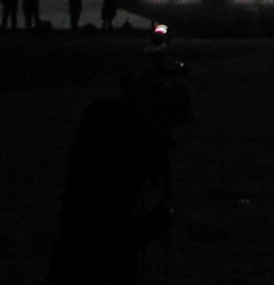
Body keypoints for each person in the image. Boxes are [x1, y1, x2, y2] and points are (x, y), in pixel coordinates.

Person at [46, 40, 192, 284]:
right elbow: (113, 239)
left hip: (75, 256)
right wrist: (160, 220)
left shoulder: (105, 121)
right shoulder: (118, 146)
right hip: (93, 265)